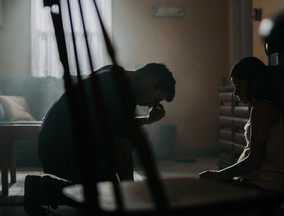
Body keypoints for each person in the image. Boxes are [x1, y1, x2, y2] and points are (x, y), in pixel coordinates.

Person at [24, 63, 176, 215]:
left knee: (110, 195)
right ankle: (41, 189)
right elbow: (122, 150)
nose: (151, 105)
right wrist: (130, 193)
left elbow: (116, 123)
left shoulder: (114, 73)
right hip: (61, 149)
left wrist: (147, 120)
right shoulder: (121, 90)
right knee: (109, 198)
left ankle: (40, 187)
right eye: (156, 99)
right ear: (151, 81)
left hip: (59, 143)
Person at [199, 57, 284, 195]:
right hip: (257, 182)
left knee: (202, 184)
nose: (235, 93)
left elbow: (255, 160)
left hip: (262, 185)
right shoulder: (265, 106)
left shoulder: (262, 109)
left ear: (254, 84)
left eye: (239, 87)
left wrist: (220, 174)